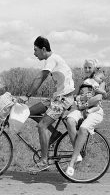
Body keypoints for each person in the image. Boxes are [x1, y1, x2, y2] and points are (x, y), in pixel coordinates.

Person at [20, 36, 75, 173]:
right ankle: (55, 135)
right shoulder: (53, 59)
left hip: (63, 99)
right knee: (30, 112)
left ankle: (44, 161)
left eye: (36, 50)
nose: (34, 53)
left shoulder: (52, 59)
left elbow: (40, 77)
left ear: (43, 49)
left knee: (42, 126)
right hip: (57, 97)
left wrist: (27, 96)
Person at [65, 59, 107, 177]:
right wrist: (77, 100)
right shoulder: (83, 81)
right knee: (69, 120)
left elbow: (98, 98)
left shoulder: (100, 80)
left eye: (89, 67)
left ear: (94, 68)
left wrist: (85, 104)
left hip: (95, 111)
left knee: (83, 128)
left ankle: (72, 163)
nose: (87, 69)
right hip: (81, 109)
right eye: (85, 67)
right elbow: (76, 95)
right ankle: (77, 153)